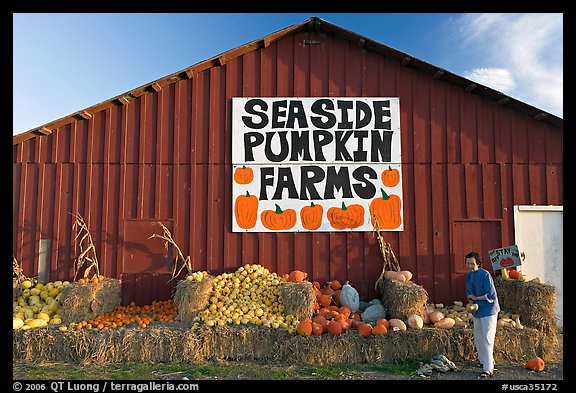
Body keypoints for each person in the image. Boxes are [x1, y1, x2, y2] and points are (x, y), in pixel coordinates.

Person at [465, 251, 500, 378]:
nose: (469, 266)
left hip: (489, 310)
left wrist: (476, 298)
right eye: (467, 263)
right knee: (478, 336)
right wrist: (470, 301)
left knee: (487, 338)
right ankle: (483, 361)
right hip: (477, 310)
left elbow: (490, 295)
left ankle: (488, 369)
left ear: (478, 263)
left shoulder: (485, 275)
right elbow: (469, 292)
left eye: (472, 263)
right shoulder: (469, 275)